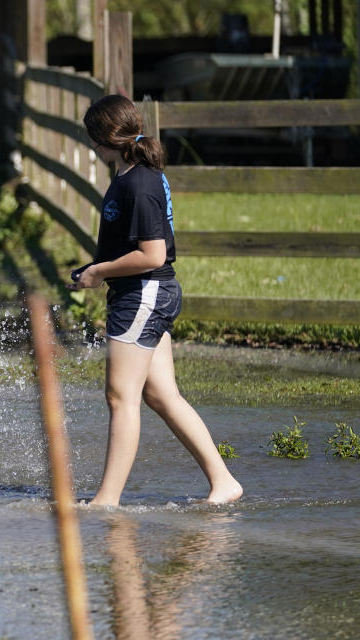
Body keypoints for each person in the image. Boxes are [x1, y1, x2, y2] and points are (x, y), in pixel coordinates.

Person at [68, 95, 243, 506]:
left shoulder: (140, 183)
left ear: (104, 140)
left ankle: (106, 500)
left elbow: (153, 254)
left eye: (92, 139)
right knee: (161, 395)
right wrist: (99, 268)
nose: (92, 149)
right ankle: (224, 482)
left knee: (120, 395)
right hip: (143, 292)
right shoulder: (128, 173)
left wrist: (99, 271)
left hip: (143, 293)